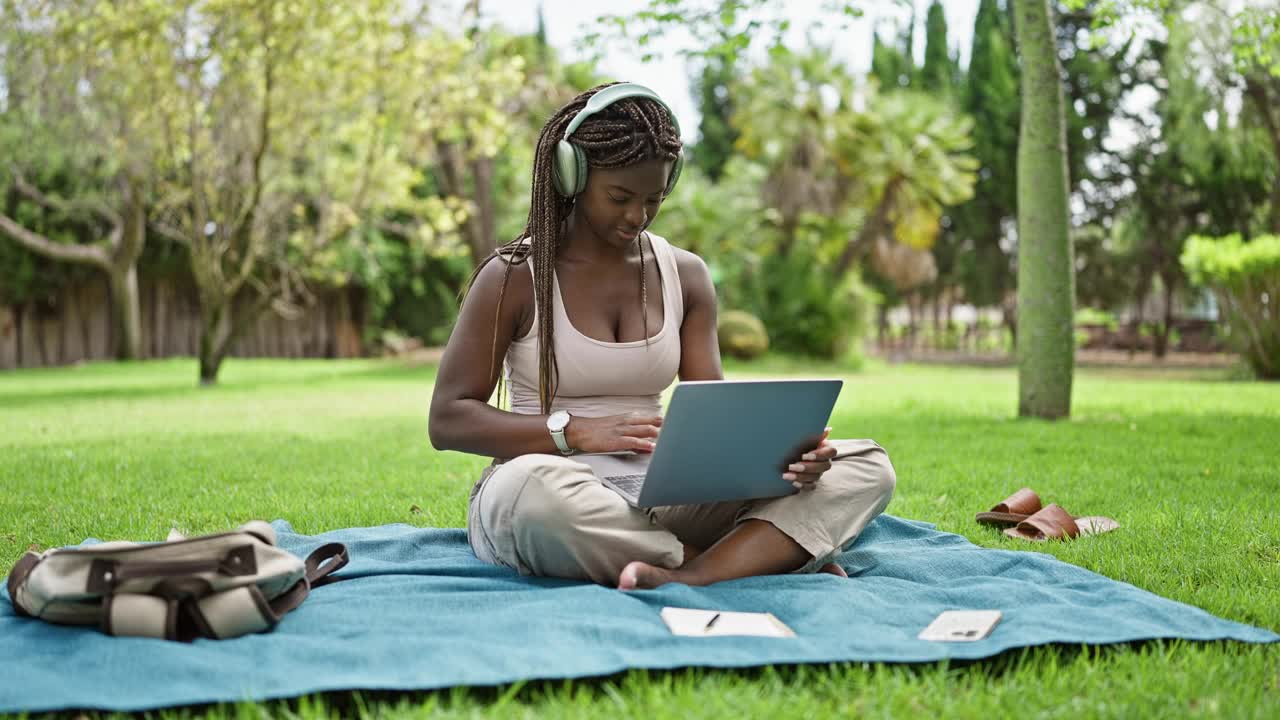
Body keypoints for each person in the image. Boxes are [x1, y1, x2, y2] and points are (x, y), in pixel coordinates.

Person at [428, 82, 896, 590]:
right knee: (533, 495)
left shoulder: (686, 275)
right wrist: (573, 432)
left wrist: (781, 462)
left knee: (866, 465)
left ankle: (693, 573)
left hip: (664, 494)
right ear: (572, 176)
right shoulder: (515, 274)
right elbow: (448, 418)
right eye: (620, 197)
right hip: (556, 485)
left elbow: (715, 421)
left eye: (654, 199)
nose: (637, 216)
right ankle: (757, 559)